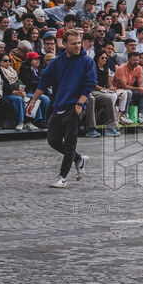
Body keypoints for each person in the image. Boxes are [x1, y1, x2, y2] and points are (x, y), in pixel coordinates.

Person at [26, 28, 95, 187]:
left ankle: (62, 177)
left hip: (75, 105)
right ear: (64, 44)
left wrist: (80, 103)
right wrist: (33, 101)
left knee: (70, 142)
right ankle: (79, 159)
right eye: (74, 43)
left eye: (79, 43)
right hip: (59, 104)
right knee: (53, 140)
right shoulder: (57, 62)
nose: (78, 46)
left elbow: (89, 85)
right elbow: (43, 83)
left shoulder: (87, 61)